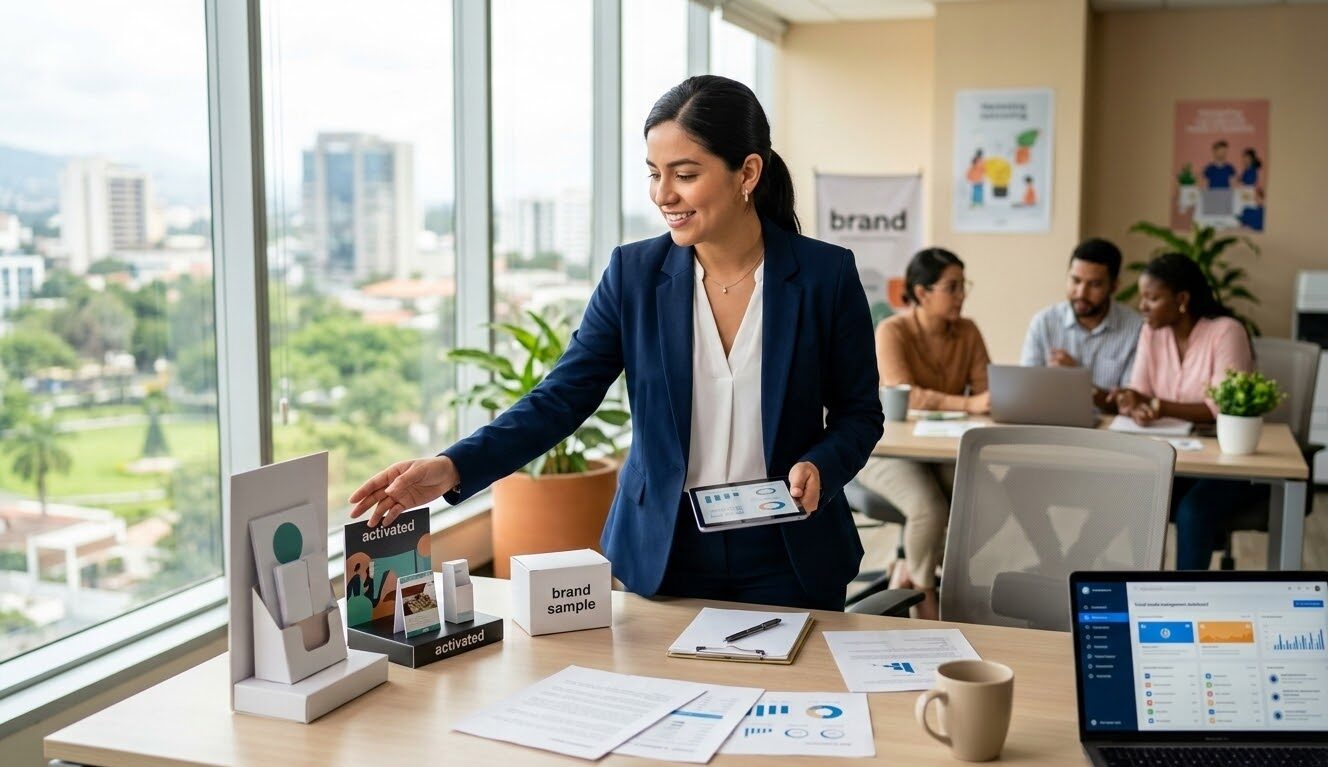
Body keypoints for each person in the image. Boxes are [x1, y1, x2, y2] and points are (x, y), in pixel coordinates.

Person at [348, 75, 883, 611]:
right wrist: (452, 467)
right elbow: (563, 396)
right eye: (654, 174)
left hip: (788, 551)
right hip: (668, 551)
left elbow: (859, 412)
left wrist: (821, 464)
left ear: (747, 172)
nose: (663, 195)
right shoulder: (634, 275)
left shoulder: (824, 275)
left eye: (685, 174)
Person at [855, 248, 990, 619]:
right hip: (883, 449)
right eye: (952, 287)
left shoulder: (968, 331)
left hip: (935, 450)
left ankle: (910, 569)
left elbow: (987, 391)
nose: (961, 295)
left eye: (964, 286)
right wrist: (969, 404)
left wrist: (979, 401)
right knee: (929, 510)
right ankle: (925, 595)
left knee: (987, 501)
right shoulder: (892, 330)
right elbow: (904, 391)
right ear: (921, 292)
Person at [1112, 253, 1256, 570]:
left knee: (1193, 511)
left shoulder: (1226, 332)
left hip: (1226, 462)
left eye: (1152, 298)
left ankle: (1188, 600)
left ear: (1182, 299)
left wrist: (1159, 406)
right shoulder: (1152, 331)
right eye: (1142, 297)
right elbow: (1141, 389)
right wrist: (1132, 402)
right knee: (1136, 499)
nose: (1142, 306)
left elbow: (1221, 409)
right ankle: (1145, 593)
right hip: (1173, 457)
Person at [1020, 238, 1144, 410]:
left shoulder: (1136, 329)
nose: (1081, 293)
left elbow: (1125, 404)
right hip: (1052, 422)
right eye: (1075, 281)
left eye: (1094, 284)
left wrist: (1076, 380)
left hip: (1108, 429)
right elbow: (1027, 392)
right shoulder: (1044, 322)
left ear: (1114, 286)